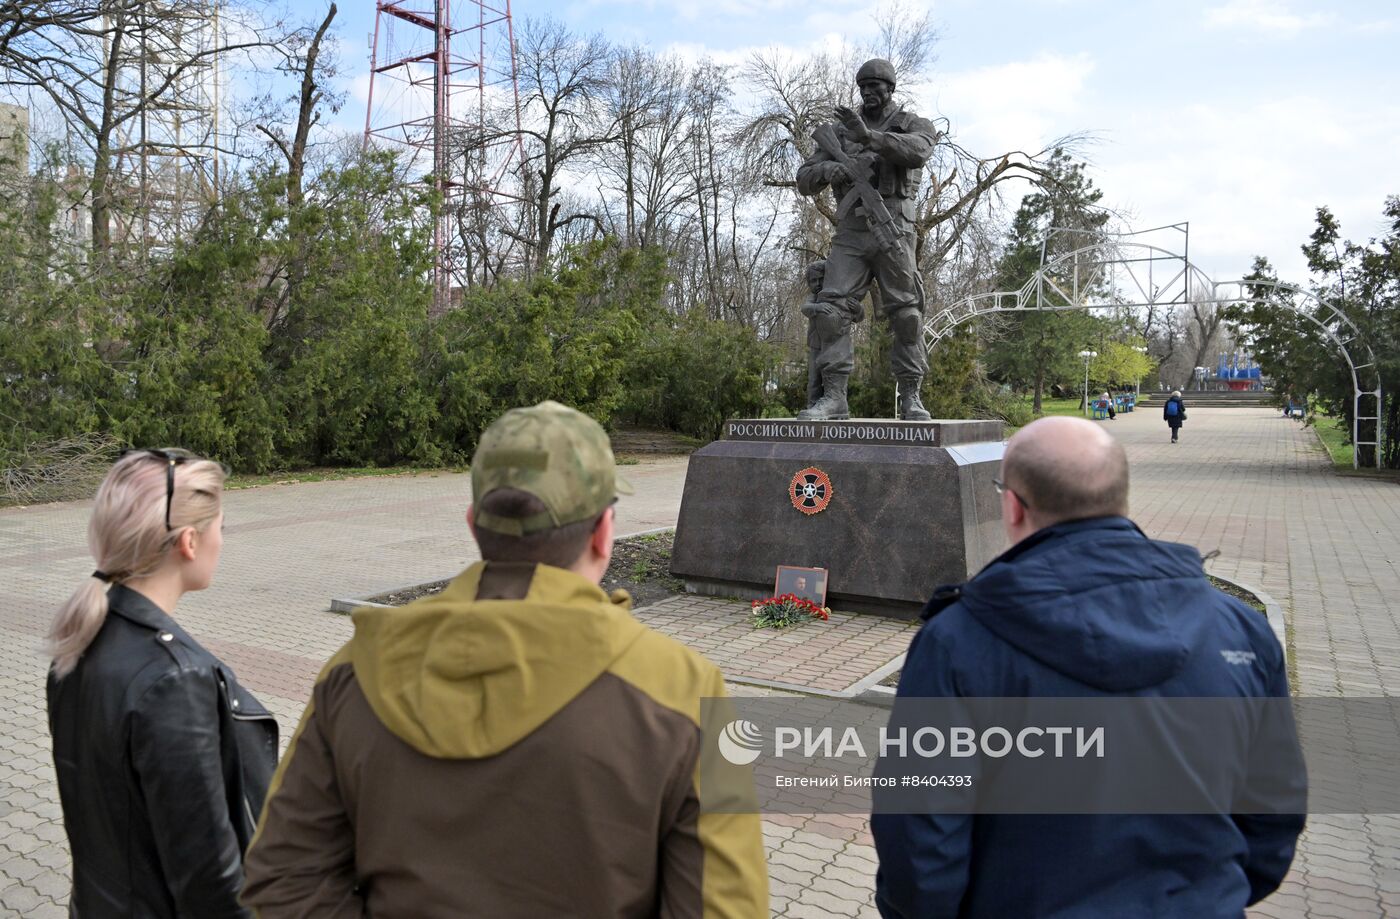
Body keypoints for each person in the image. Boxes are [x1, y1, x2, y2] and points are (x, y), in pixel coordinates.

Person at [242, 400, 769, 917]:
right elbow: (727, 906)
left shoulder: (353, 671)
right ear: (604, 531)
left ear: (474, 523)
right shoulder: (695, 693)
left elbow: (284, 880)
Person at [870, 416, 1304, 918]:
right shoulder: (1241, 631)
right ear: (1120, 497)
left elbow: (919, 829)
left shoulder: (959, 640)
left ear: (1011, 504)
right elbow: (1274, 807)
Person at [47, 448, 277, 918]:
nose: (222, 540)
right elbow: (211, 883)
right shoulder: (176, 678)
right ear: (189, 541)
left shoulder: (79, 641)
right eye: (221, 526)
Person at [796, 58, 939, 421]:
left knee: (907, 315)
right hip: (851, 234)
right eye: (863, 86)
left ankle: (911, 397)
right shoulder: (838, 132)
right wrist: (832, 167)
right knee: (831, 312)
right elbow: (805, 178)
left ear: (891, 88)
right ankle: (834, 398)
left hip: (895, 232)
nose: (868, 92)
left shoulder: (913, 124)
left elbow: (919, 150)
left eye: (876, 86)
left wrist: (870, 137)